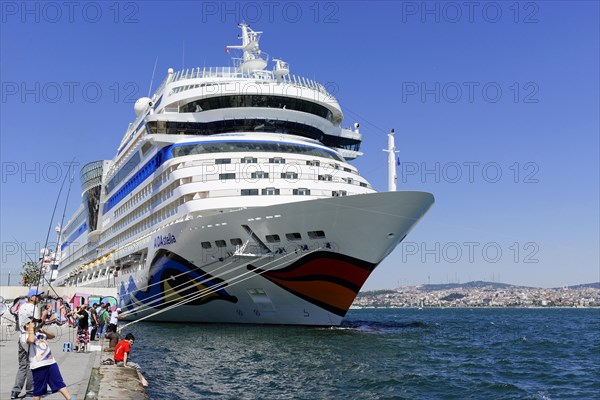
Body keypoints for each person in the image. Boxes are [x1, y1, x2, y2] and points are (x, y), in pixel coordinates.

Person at [22, 319, 76, 400]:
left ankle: (70, 398)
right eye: (31, 323)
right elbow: (31, 340)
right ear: (26, 326)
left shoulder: (39, 333)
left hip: (51, 362)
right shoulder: (23, 336)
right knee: (38, 391)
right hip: (38, 366)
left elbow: (52, 336)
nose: (34, 324)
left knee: (59, 383)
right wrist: (31, 329)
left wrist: (44, 331)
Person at [11, 288, 42, 399]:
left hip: (21, 337)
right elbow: (37, 325)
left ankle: (15, 391)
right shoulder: (34, 308)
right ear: (31, 297)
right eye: (37, 296)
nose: (39, 298)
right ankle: (30, 390)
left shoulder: (22, 306)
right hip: (30, 337)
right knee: (31, 365)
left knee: (22, 366)